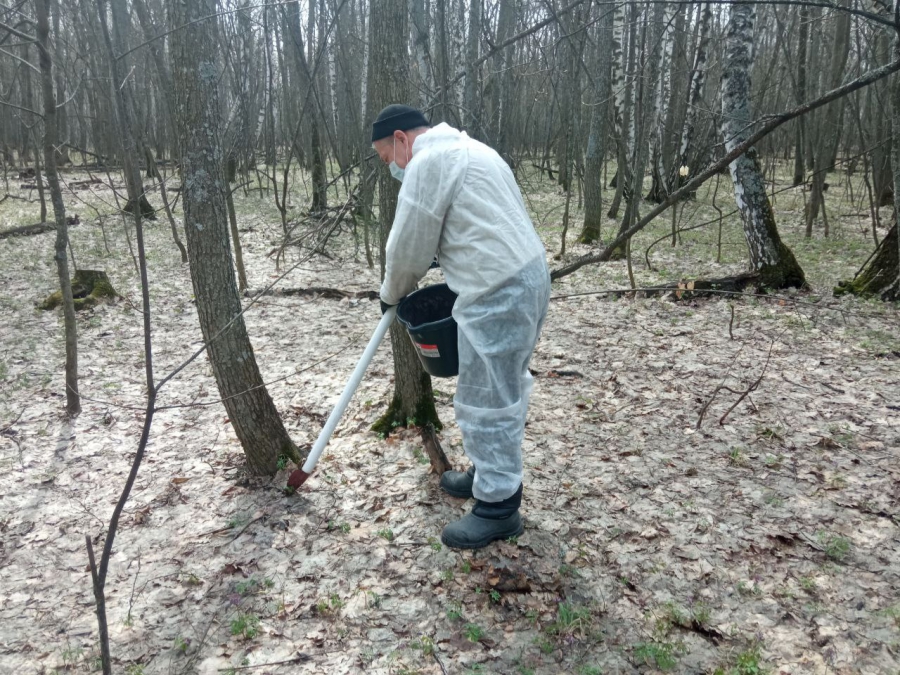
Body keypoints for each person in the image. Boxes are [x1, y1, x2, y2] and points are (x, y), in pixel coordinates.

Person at [371, 104, 550, 549]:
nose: (392, 166)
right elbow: (477, 222)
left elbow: (408, 246)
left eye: (387, 156)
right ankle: (487, 476)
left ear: (401, 139)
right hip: (523, 277)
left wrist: (391, 293)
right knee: (490, 388)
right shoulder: (473, 150)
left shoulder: (429, 162)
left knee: (489, 400)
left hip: (499, 289)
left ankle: (498, 507)